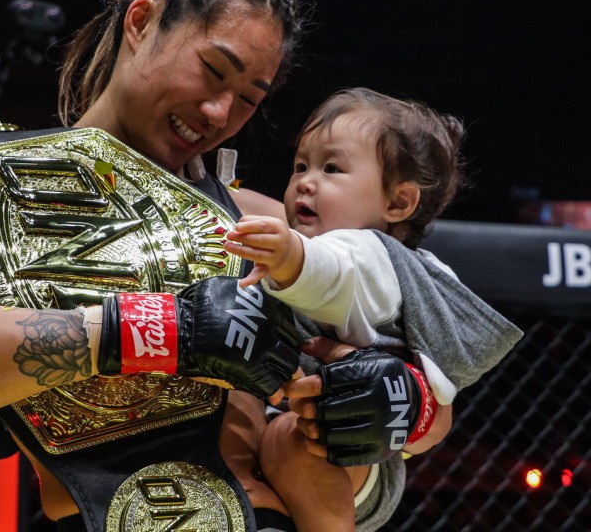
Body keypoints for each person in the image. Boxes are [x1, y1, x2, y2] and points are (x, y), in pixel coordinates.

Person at [0, 0, 449, 532]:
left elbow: (433, 385)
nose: (221, 111)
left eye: (250, 98)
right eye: (213, 70)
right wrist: (162, 329)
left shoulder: (263, 224)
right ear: (141, 22)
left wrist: (398, 401)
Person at [222, 87, 523, 531]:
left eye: (332, 168)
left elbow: (332, 273)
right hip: (306, 443)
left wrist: (289, 256)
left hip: (345, 459)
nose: (306, 180)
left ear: (398, 203)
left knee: (294, 438)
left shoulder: (370, 255)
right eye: (301, 165)